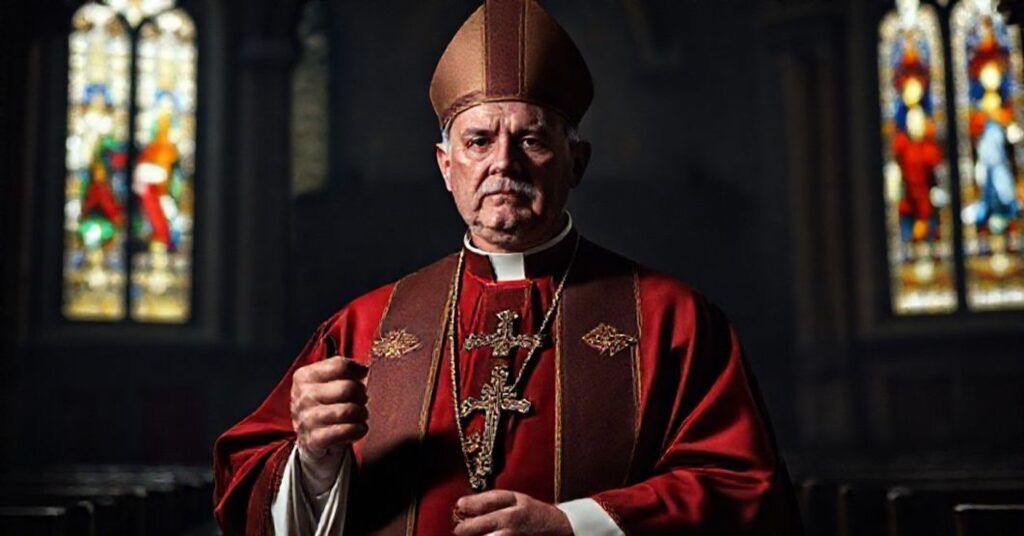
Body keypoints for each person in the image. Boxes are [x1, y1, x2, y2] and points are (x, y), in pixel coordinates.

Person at [213, 1, 801, 534]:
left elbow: (746, 490)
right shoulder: (364, 326)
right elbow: (245, 485)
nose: (503, 163)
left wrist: (575, 527)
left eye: (531, 140)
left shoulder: (674, 320)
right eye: (477, 141)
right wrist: (315, 460)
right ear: (446, 167)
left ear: (576, 162)